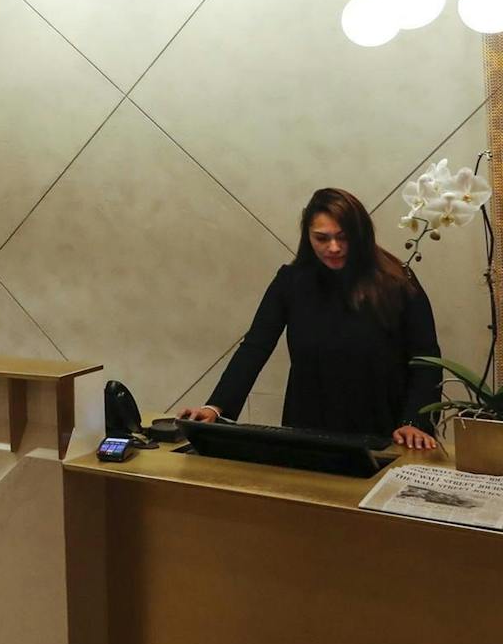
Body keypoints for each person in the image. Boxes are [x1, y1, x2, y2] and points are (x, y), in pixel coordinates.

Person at [180, 188, 440, 450]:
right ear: (307, 236)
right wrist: (216, 407)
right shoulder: (291, 282)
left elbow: (427, 359)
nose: (334, 247)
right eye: (322, 238)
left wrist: (414, 422)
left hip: (385, 429)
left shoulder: (397, 280)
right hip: (308, 429)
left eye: (343, 237)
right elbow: (255, 347)